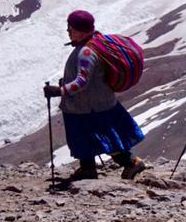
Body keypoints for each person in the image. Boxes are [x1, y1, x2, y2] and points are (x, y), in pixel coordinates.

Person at [42, 10, 147, 181]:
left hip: (88, 107)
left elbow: (81, 82)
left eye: (71, 28)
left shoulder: (86, 52)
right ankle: (88, 169)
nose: (68, 31)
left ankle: (131, 162)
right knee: (94, 138)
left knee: (99, 138)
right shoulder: (94, 44)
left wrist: (59, 91)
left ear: (81, 30)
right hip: (98, 104)